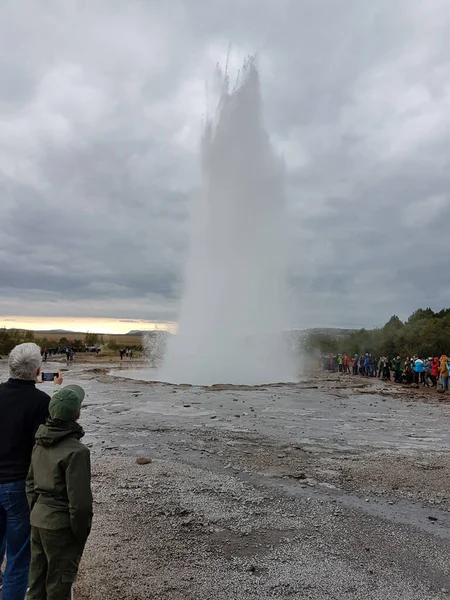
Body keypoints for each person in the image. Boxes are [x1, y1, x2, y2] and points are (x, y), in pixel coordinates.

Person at [0, 343, 62, 600]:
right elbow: (50, 439)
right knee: (19, 554)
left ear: (9, 366)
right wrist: (57, 392)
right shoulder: (42, 402)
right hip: (18, 486)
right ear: (38, 371)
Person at [26, 384, 93, 600]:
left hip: (38, 520)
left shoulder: (39, 442)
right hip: (60, 527)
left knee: (36, 579)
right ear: (78, 414)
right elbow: (80, 504)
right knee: (59, 586)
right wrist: (79, 533)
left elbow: (30, 483)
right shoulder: (77, 452)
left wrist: (36, 512)